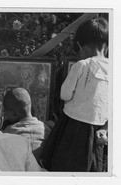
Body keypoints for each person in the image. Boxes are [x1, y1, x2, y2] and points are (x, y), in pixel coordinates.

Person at [40, 17, 109, 172]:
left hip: (72, 126)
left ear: (79, 46)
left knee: (64, 163)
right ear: (107, 45)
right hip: (98, 129)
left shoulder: (81, 65)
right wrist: (105, 128)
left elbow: (64, 95)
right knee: (91, 167)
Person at [2, 88, 51, 162]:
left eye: (6, 111)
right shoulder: (46, 129)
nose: (5, 115)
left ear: (14, 114)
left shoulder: (9, 132)